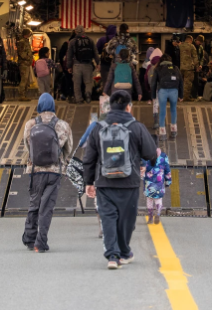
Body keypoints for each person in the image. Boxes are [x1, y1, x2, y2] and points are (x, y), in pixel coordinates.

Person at [82, 90, 159, 269]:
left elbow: (89, 158)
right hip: (129, 182)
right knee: (126, 220)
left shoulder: (98, 127)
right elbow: (150, 153)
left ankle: (112, 256)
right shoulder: (136, 127)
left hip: (104, 182)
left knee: (108, 217)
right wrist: (151, 163)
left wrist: (89, 182)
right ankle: (124, 252)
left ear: (110, 107)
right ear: (129, 107)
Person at [21, 93, 74, 252]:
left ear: (39, 106)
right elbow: (68, 148)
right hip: (54, 172)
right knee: (47, 207)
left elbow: (27, 146)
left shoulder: (30, 124)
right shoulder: (63, 126)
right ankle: (41, 243)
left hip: (35, 170)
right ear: (53, 107)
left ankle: (29, 239)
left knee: (34, 204)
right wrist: (60, 159)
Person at [149, 53, 183, 139]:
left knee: (162, 111)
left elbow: (153, 84)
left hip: (162, 91)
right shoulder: (175, 68)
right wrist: (181, 95)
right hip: (174, 91)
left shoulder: (158, 68)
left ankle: (163, 133)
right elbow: (181, 82)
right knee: (173, 110)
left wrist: (153, 96)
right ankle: (173, 131)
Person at [67, 25, 98, 104]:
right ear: (84, 31)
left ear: (75, 32)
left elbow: (69, 55)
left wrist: (69, 66)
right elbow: (95, 53)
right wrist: (98, 63)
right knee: (88, 82)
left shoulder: (72, 41)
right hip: (88, 65)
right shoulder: (90, 40)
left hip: (77, 65)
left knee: (77, 84)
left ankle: (79, 99)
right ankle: (88, 93)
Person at [141, 147, 172, 224]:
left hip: (148, 182)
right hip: (159, 182)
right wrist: (168, 181)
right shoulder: (163, 156)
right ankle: (157, 214)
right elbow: (167, 169)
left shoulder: (145, 156)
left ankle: (150, 218)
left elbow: (142, 168)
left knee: (149, 199)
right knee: (158, 199)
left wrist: (141, 177)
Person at [16, 28, 35, 100]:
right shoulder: (22, 42)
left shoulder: (26, 41)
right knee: (24, 79)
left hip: (27, 63)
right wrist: (27, 57)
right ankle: (22, 95)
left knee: (26, 80)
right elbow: (21, 53)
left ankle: (24, 95)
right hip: (23, 63)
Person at [179, 33, 199, 100]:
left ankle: (180, 97)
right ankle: (185, 97)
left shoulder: (180, 46)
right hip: (189, 68)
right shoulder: (191, 46)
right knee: (187, 83)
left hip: (181, 67)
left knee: (181, 82)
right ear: (190, 40)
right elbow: (195, 57)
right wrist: (197, 67)